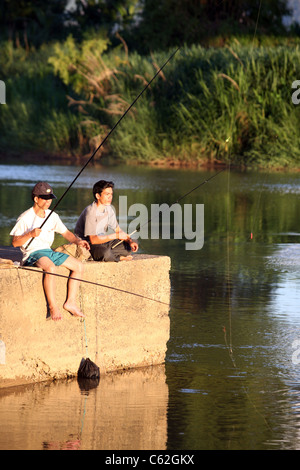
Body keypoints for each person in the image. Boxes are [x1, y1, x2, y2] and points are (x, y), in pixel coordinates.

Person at [10, 181, 90, 321]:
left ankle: (70, 302)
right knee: (50, 268)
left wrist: (78, 241)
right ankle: (52, 306)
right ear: (36, 199)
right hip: (33, 254)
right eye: (45, 199)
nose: (48, 202)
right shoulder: (25, 217)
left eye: (50, 198)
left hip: (49, 252)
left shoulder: (52, 216)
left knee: (79, 266)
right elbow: (15, 243)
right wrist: (30, 234)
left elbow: (66, 233)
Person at [75, 180, 138, 262]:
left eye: (111, 194)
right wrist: (115, 236)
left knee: (132, 242)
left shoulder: (109, 209)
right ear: (98, 196)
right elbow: (93, 240)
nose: (110, 197)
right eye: (107, 194)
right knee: (106, 253)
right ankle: (117, 258)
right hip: (88, 244)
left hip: (102, 241)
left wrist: (130, 241)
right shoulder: (90, 212)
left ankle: (111, 255)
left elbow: (118, 231)